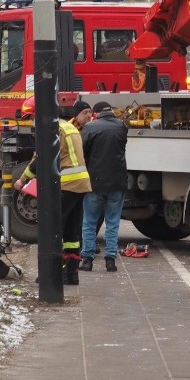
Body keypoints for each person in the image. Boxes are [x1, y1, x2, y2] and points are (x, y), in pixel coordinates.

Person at [13, 96, 91, 285]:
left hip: (66, 184)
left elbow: (40, 159)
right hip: (81, 184)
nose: (31, 122)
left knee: (52, 228)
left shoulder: (51, 129)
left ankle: (51, 273)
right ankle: (71, 275)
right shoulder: (68, 126)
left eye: (31, 117)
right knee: (71, 231)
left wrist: (22, 180)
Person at [79, 100, 128, 273]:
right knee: (113, 222)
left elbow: (82, 152)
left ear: (96, 113)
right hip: (117, 182)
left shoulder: (90, 128)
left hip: (95, 182)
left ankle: (87, 260)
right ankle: (110, 261)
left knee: (89, 221)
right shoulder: (121, 126)